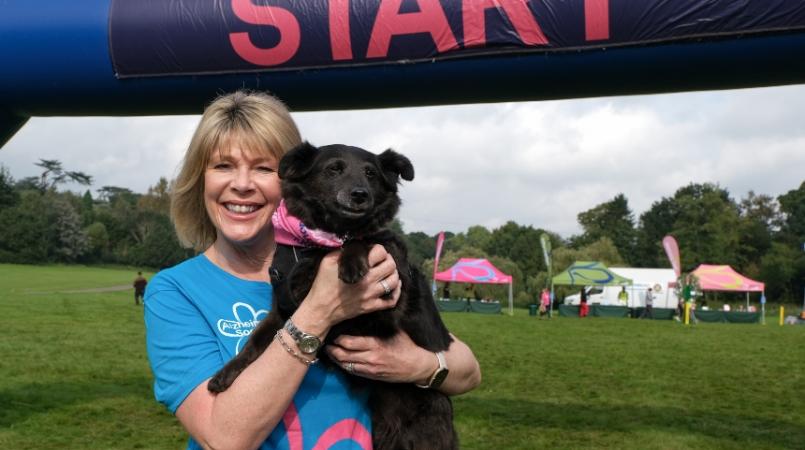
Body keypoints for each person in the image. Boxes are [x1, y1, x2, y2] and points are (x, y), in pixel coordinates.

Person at [144, 91, 481, 450]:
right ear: (200, 179)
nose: (241, 184)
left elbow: (469, 371)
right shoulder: (175, 292)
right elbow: (224, 439)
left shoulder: (358, 260)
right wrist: (320, 310)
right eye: (223, 166)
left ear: (291, 177)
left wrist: (419, 365)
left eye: (262, 167)